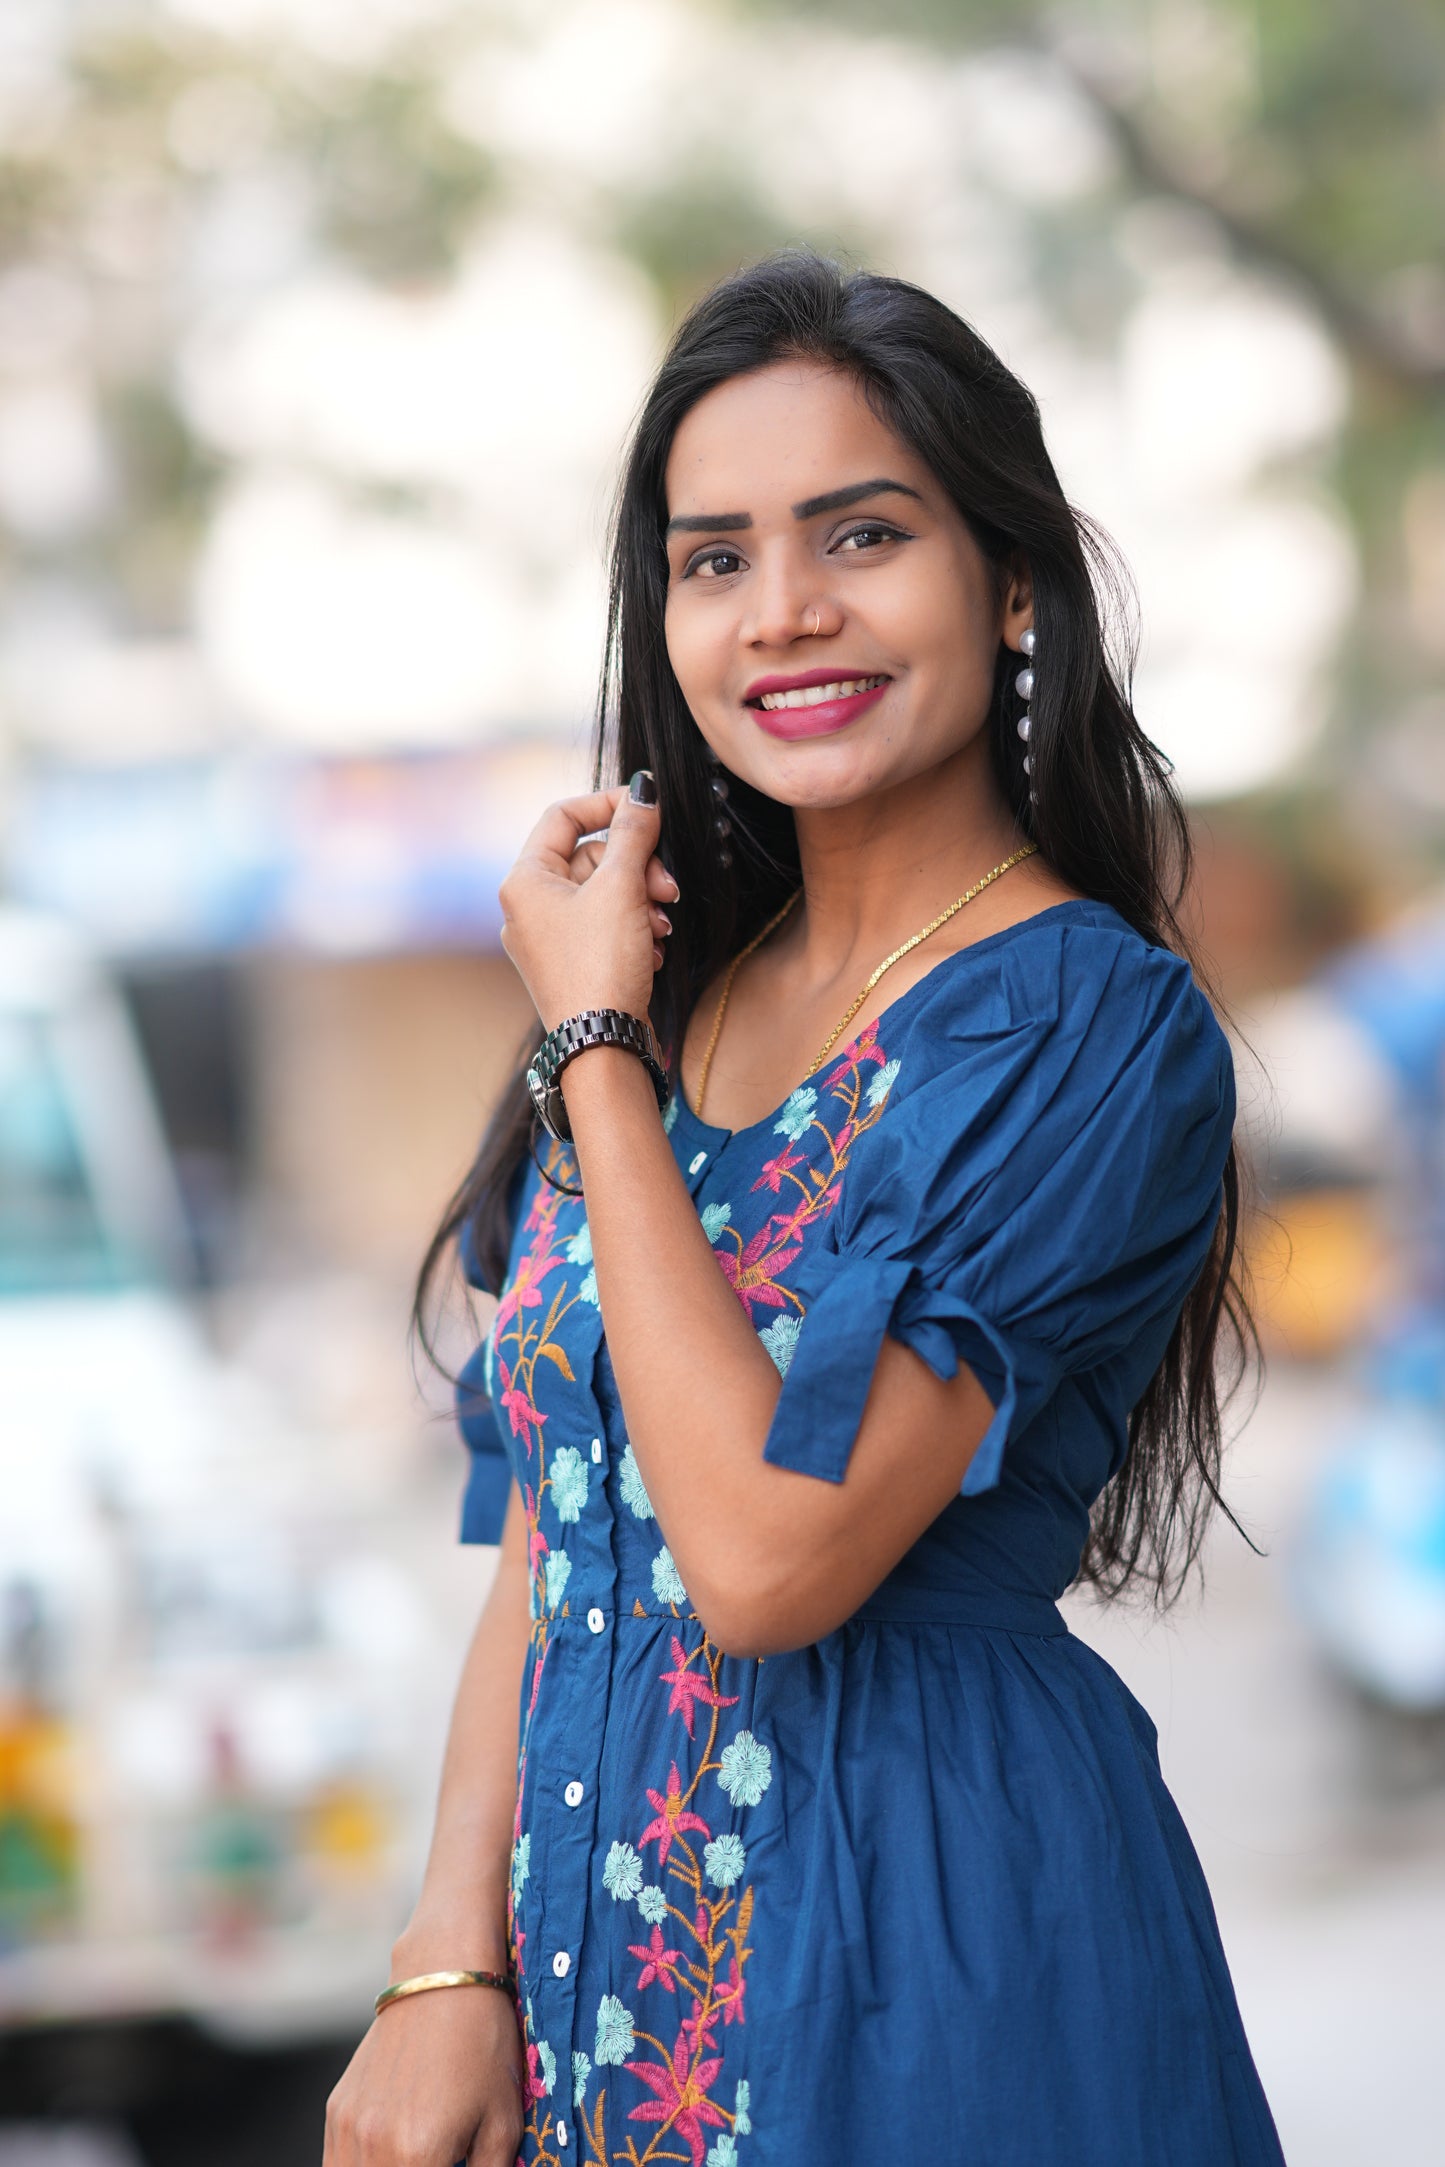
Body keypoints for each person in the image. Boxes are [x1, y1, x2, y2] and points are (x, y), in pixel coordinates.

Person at [324, 252, 1285, 2167]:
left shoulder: (1080, 1026)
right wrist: (444, 1968)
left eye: (861, 535)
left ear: (1011, 585)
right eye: (715, 559)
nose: (784, 612)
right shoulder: (658, 997)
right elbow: (554, 1539)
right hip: (593, 1993)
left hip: (926, 1969)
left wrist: (590, 1047)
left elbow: (768, 1561)